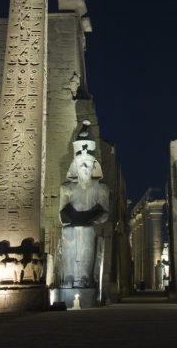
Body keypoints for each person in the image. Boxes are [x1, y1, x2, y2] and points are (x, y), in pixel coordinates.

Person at [58, 121, 110, 288]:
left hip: (90, 225)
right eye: (81, 164)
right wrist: (70, 219)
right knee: (68, 231)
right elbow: (62, 213)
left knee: (87, 232)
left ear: (95, 165)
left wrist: (89, 219)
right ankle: (69, 276)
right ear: (75, 166)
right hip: (73, 223)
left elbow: (104, 213)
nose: (85, 168)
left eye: (87, 164)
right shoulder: (67, 188)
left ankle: (84, 277)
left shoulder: (101, 188)